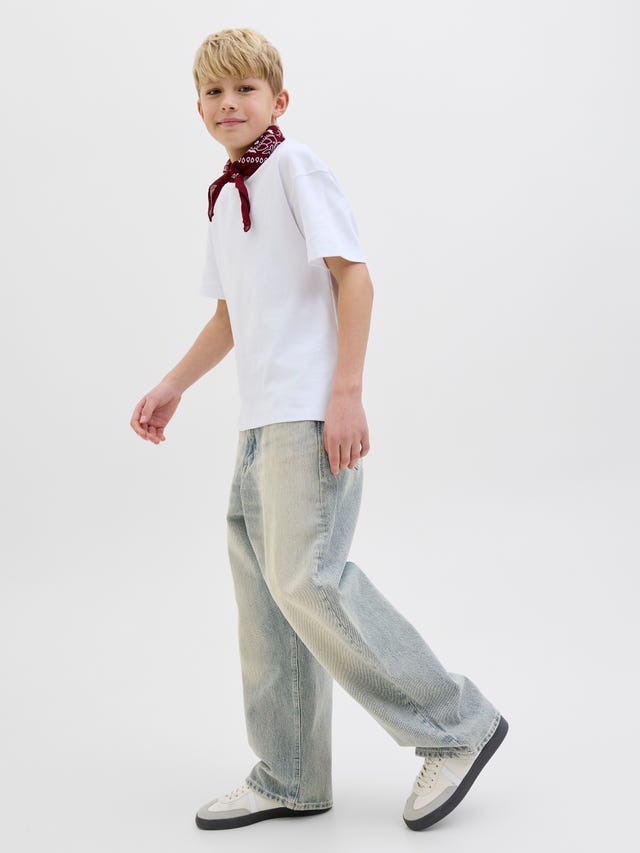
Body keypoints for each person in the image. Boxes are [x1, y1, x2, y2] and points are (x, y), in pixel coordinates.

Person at [130, 27, 508, 833]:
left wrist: (346, 393)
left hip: (307, 412)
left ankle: (456, 724)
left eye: (245, 89)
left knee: (310, 578)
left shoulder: (295, 167)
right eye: (214, 92)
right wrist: (172, 384)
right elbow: (231, 316)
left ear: (279, 100)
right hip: (258, 422)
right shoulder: (225, 196)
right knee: (269, 599)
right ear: (198, 108)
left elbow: (353, 276)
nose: (229, 103)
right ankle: (290, 771)